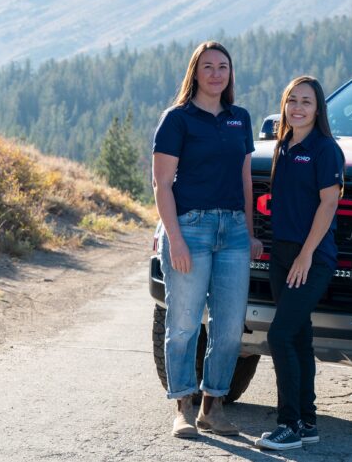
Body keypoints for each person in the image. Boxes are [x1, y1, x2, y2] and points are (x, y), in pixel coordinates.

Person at [153, 41, 263, 438]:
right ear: (195, 73)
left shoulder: (240, 119)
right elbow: (162, 184)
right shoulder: (177, 119)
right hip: (190, 228)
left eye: (223, 67)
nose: (216, 73)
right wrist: (176, 240)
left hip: (233, 231)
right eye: (208, 66)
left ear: (231, 74)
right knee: (183, 323)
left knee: (230, 328)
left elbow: (245, 179)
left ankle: (212, 407)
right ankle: (182, 405)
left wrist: (249, 232)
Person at [256, 76, 344, 451]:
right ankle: (307, 422)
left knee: (279, 334)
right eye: (292, 100)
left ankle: (288, 424)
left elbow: (329, 204)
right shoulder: (284, 146)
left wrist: (307, 254)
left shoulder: (326, 149)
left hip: (313, 256)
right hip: (282, 253)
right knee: (298, 336)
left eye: (306, 101)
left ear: (318, 108)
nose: (298, 107)